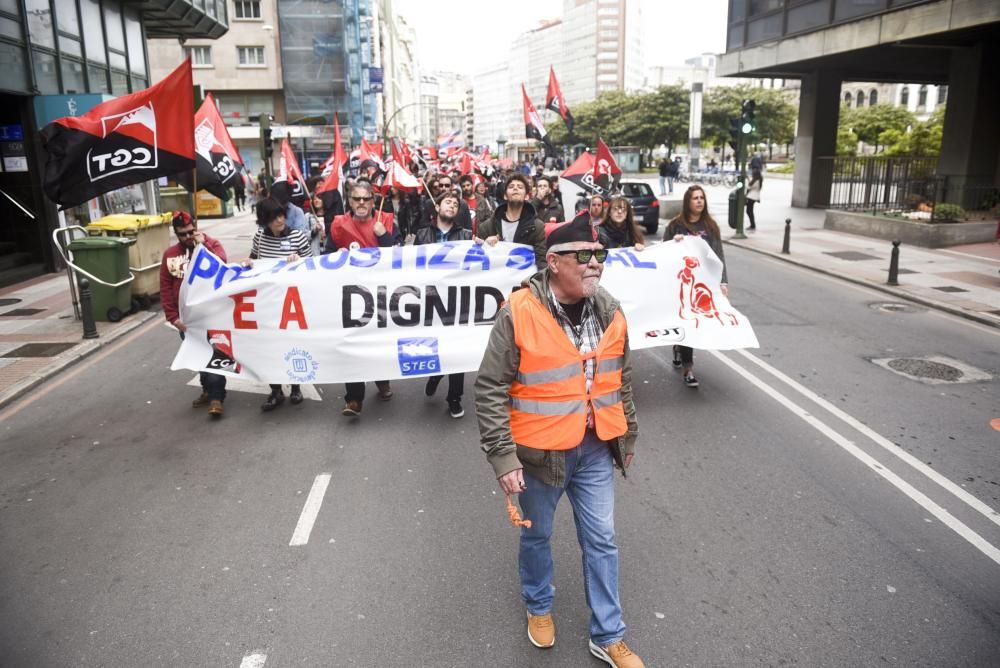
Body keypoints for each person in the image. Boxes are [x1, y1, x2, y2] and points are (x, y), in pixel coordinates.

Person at [475, 215, 643, 668]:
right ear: (553, 262)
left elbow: (620, 379)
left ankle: (609, 635)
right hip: (537, 455)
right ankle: (538, 605)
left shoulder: (610, 309)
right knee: (538, 537)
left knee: (602, 540)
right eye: (583, 256)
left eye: (600, 255)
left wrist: (626, 432)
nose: (595, 264)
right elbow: (490, 389)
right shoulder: (518, 312)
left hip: (593, 448)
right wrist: (502, 457)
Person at [328, 181, 401, 415]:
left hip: (381, 296)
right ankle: (354, 398)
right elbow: (326, 258)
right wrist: (335, 254)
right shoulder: (339, 225)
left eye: (365, 199)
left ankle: (382, 381)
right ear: (350, 202)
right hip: (351, 298)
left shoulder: (386, 222)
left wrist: (384, 237)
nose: (361, 203)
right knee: (354, 345)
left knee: (379, 344)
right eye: (356, 199)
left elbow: (400, 259)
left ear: (373, 201)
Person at [241, 198, 313, 411]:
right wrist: (247, 262)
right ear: (265, 220)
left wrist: (298, 260)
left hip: (291, 303)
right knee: (269, 348)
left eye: (281, 215)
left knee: (292, 344)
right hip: (267, 303)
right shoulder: (260, 237)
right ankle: (276, 390)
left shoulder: (297, 236)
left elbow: (312, 266)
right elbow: (255, 259)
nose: (280, 220)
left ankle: (296, 387)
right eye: (274, 217)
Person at [410, 191, 472, 418]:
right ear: (436, 208)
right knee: (435, 345)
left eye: (456, 204)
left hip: (456, 302)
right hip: (430, 301)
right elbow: (411, 265)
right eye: (448, 202)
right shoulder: (422, 234)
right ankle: (436, 374)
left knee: (458, 351)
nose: (452, 206)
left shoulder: (466, 235)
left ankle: (454, 398)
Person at [160, 211, 228, 417]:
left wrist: (203, 246)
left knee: (214, 353)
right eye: (182, 234)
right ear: (176, 234)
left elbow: (222, 265)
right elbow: (165, 287)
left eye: (190, 232)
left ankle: (217, 396)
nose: (187, 237)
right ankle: (207, 390)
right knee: (198, 355)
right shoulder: (170, 255)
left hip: (211, 314)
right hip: (186, 319)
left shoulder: (211, 244)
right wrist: (173, 318)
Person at [662, 185, 729, 388]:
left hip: (704, 284)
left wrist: (723, 281)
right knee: (686, 322)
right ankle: (688, 368)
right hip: (682, 282)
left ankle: (680, 350)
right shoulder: (676, 225)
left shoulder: (710, 226)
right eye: (695, 198)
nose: (699, 201)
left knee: (696, 323)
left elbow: (718, 256)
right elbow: (663, 251)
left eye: (701, 198)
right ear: (687, 201)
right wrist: (674, 243)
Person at [476, 173, 547, 269]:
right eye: (511, 187)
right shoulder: (487, 227)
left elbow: (541, 261)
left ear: (526, 196)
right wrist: (485, 246)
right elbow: (477, 260)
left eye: (520, 187)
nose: (515, 188)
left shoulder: (537, 227)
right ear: (505, 195)